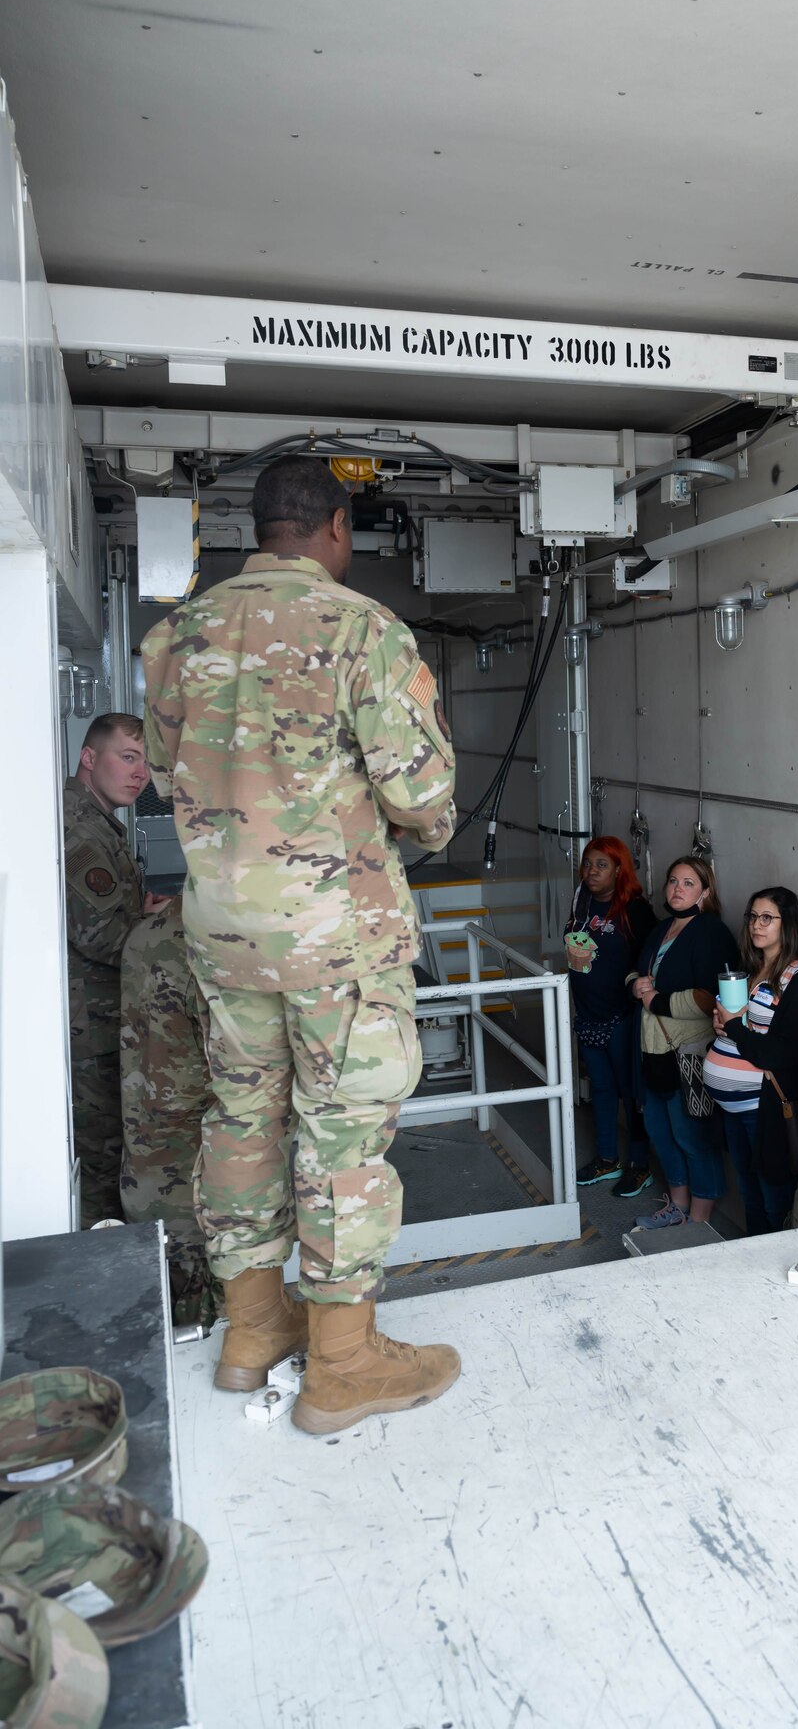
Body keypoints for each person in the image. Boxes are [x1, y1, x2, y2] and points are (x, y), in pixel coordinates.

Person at [140, 455, 460, 1436]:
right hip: (334, 937)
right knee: (340, 1128)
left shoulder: (175, 636)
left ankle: (250, 1329)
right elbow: (422, 796)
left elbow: (162, 773)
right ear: (333, 528)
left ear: (256, 528)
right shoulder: (362, 629)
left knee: (241, 1115)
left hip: (222, 931)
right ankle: (343, 1360)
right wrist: (421, 827)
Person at [63, 713, 170, 1228]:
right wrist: (155, 926)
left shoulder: (98, 820)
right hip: (92, 1032)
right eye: (128, 758)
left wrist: (139, 914)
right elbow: (99, 935)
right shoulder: (78, 828)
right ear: (89, 757)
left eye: (146, 763)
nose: (140, 774)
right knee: (103, 1164)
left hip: (104, 1020)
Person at [120, 898, 221, 1328]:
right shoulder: (211, 947)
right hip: (193, 1171)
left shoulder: (150, 930)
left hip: (149, 1151)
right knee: (202, 1313)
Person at [630, 856, 739, 1229]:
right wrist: (635, 984)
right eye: (673, 880)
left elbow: (710, 997)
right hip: (653, 1050)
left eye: (688, 883)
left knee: (692, 1136)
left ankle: (699, 1219)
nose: (677, 888)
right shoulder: (661, 929)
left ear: (705, 893)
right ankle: (676, 1204)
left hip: (689, 1053)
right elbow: (636, 968)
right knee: (660, 1131)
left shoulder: (712, 932)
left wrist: (656, 1000)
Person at [705, 885, 798, 1234]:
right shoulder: (750, 968)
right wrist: (722, 1024)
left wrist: (735, 1027)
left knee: (774, 1201)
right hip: (733, 1109)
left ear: (788, 924)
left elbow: (785, 1053)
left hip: (765, 1108)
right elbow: (741, 1027)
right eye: (753, 917)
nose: (757, 924)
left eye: (767, 918)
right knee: (748, 1194)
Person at [566, 837, 656, 1198]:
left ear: (619, 869)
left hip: (622, 1017)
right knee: (601, 1090)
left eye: (602, 865)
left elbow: (651, 962)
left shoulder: (635, 910)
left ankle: (639, 1166)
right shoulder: (581, 900)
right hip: (587, 1014)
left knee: (631, 1094)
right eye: (588, 864)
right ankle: (607, 1158)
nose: (592, 872)